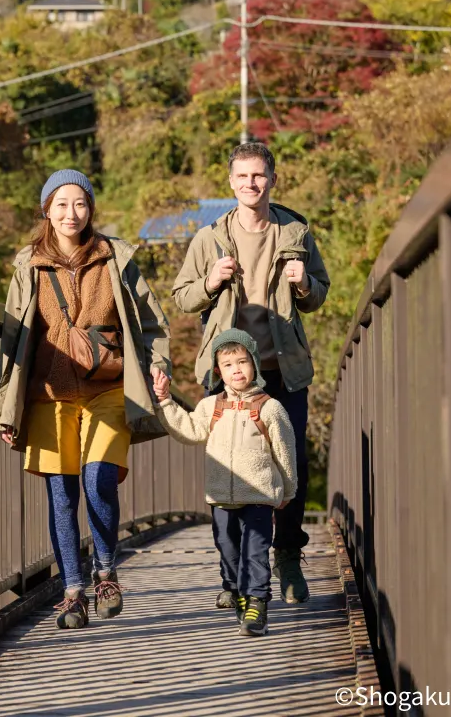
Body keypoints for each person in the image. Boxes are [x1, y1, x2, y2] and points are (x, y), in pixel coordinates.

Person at [0, 169, 171, 630]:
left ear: (91, 208)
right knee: (61, 495)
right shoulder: (28, 266)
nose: (72, 213)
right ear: (46, 210)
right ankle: (73, 591)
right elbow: (12, 341)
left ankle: (106, 571)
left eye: (81, 203)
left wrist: (157, 367)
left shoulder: (116, 259)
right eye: (62, 204)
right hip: (49, 395)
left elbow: (151, 323)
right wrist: (5, 407)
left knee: (98, 481)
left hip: (107, 389)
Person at [170, 142, 329, 603]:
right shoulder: (209, 239)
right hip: (229, 373)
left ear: (272, 179)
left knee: (290, 462)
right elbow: (182, 297)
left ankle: (286, 556)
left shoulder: (296, 230)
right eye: (242, 177)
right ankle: (236, 574)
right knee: (231, 469)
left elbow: (320, 294)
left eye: (258, 176)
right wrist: (211, 281)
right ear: (231, 182)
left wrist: (305, 284)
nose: (250, 184)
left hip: (284, 368)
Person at [152, 328, 297, 637]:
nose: (237, 370)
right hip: (221, 496)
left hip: (259, 495)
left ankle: (257, 602)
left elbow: (285, 452)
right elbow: (189, 430)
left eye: (243, 362)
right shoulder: (210, 406)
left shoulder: (269, 407)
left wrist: (288, 489)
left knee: (255, 552)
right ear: (218, 371)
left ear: (255, 364)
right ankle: (234, 588)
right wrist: (165, 402)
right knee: (228, 549)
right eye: (228, 365)